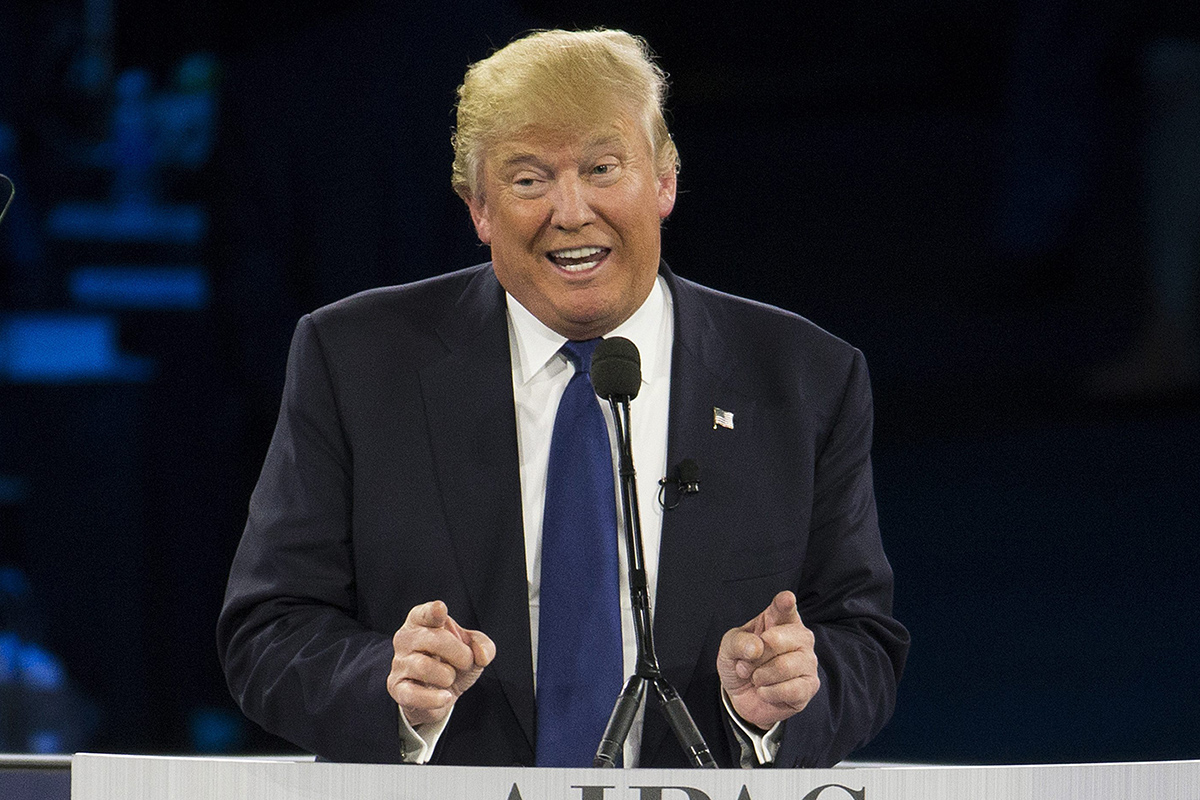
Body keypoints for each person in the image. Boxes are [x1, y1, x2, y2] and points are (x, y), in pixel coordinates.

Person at [217, 28, 909, 769]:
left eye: (603, 168)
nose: (571, 211)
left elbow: (862, 643)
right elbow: (269, 629)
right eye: (528, 180)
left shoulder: (802, 378)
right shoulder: (356, 362)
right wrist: (388, 687)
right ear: (479, 209)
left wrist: (775, 704)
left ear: (665, 181)